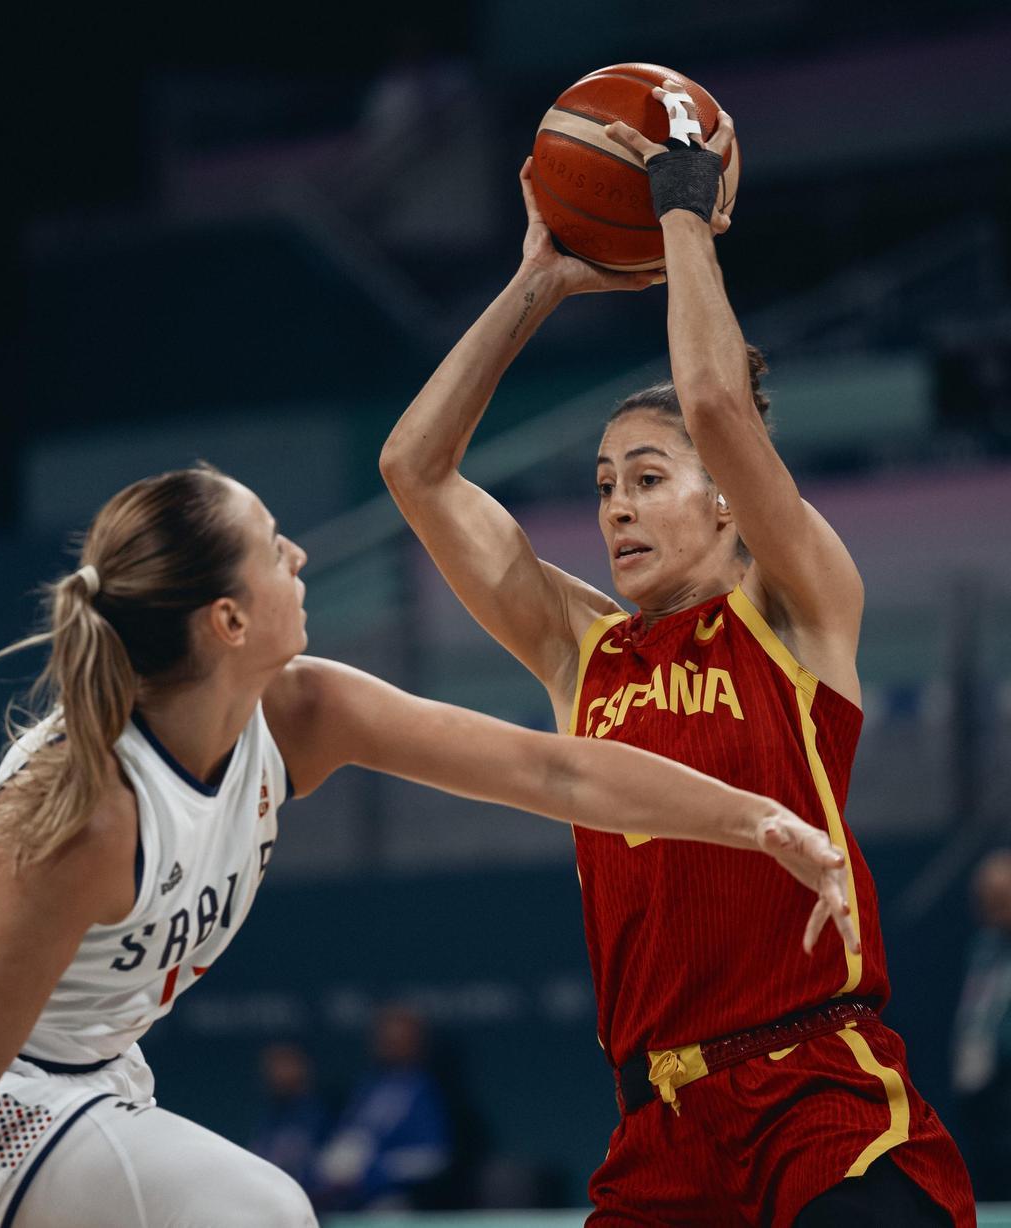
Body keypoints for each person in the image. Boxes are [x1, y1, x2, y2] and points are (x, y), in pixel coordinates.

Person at [0, 462, 854, 1228]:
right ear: (228, 619)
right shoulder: (94, 813)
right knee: (262, 1214)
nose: (300, 556)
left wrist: (759, 820)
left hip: (83, 1080)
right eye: (276, 543)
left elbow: (560, 771)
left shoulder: (306, 712)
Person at [380, 83, 976, 1226]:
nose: (617, 508)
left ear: (726, 507)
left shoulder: (798, 607)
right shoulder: (579, 651)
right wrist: (537, 281)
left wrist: (681, 214)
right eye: (604, 486)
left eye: (648, 479)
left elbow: (712, 399)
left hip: (816, 1091)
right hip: (658, 1129)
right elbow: (415, 470)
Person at [312, 1004, 450, 1211]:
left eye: (399, 1039)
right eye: (386, 1038)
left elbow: (432, 1157)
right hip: (343, 1199)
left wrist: (373, 1172)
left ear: (416, 1042)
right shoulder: (367, 1087)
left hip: (394, 1200)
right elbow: (347, 1140)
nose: (390, 1044)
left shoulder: (428, 1089)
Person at [952, 849, 1011, 1200]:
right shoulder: (982, 948)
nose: (989, 908)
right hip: (979, 1102)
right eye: (984, 899)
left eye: (999, 899)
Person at [250, 1042, 329, 1191]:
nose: (278, 1073)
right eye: (273, 1066)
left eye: (286, 1065)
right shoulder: (272, 1118)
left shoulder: (323, 1114)